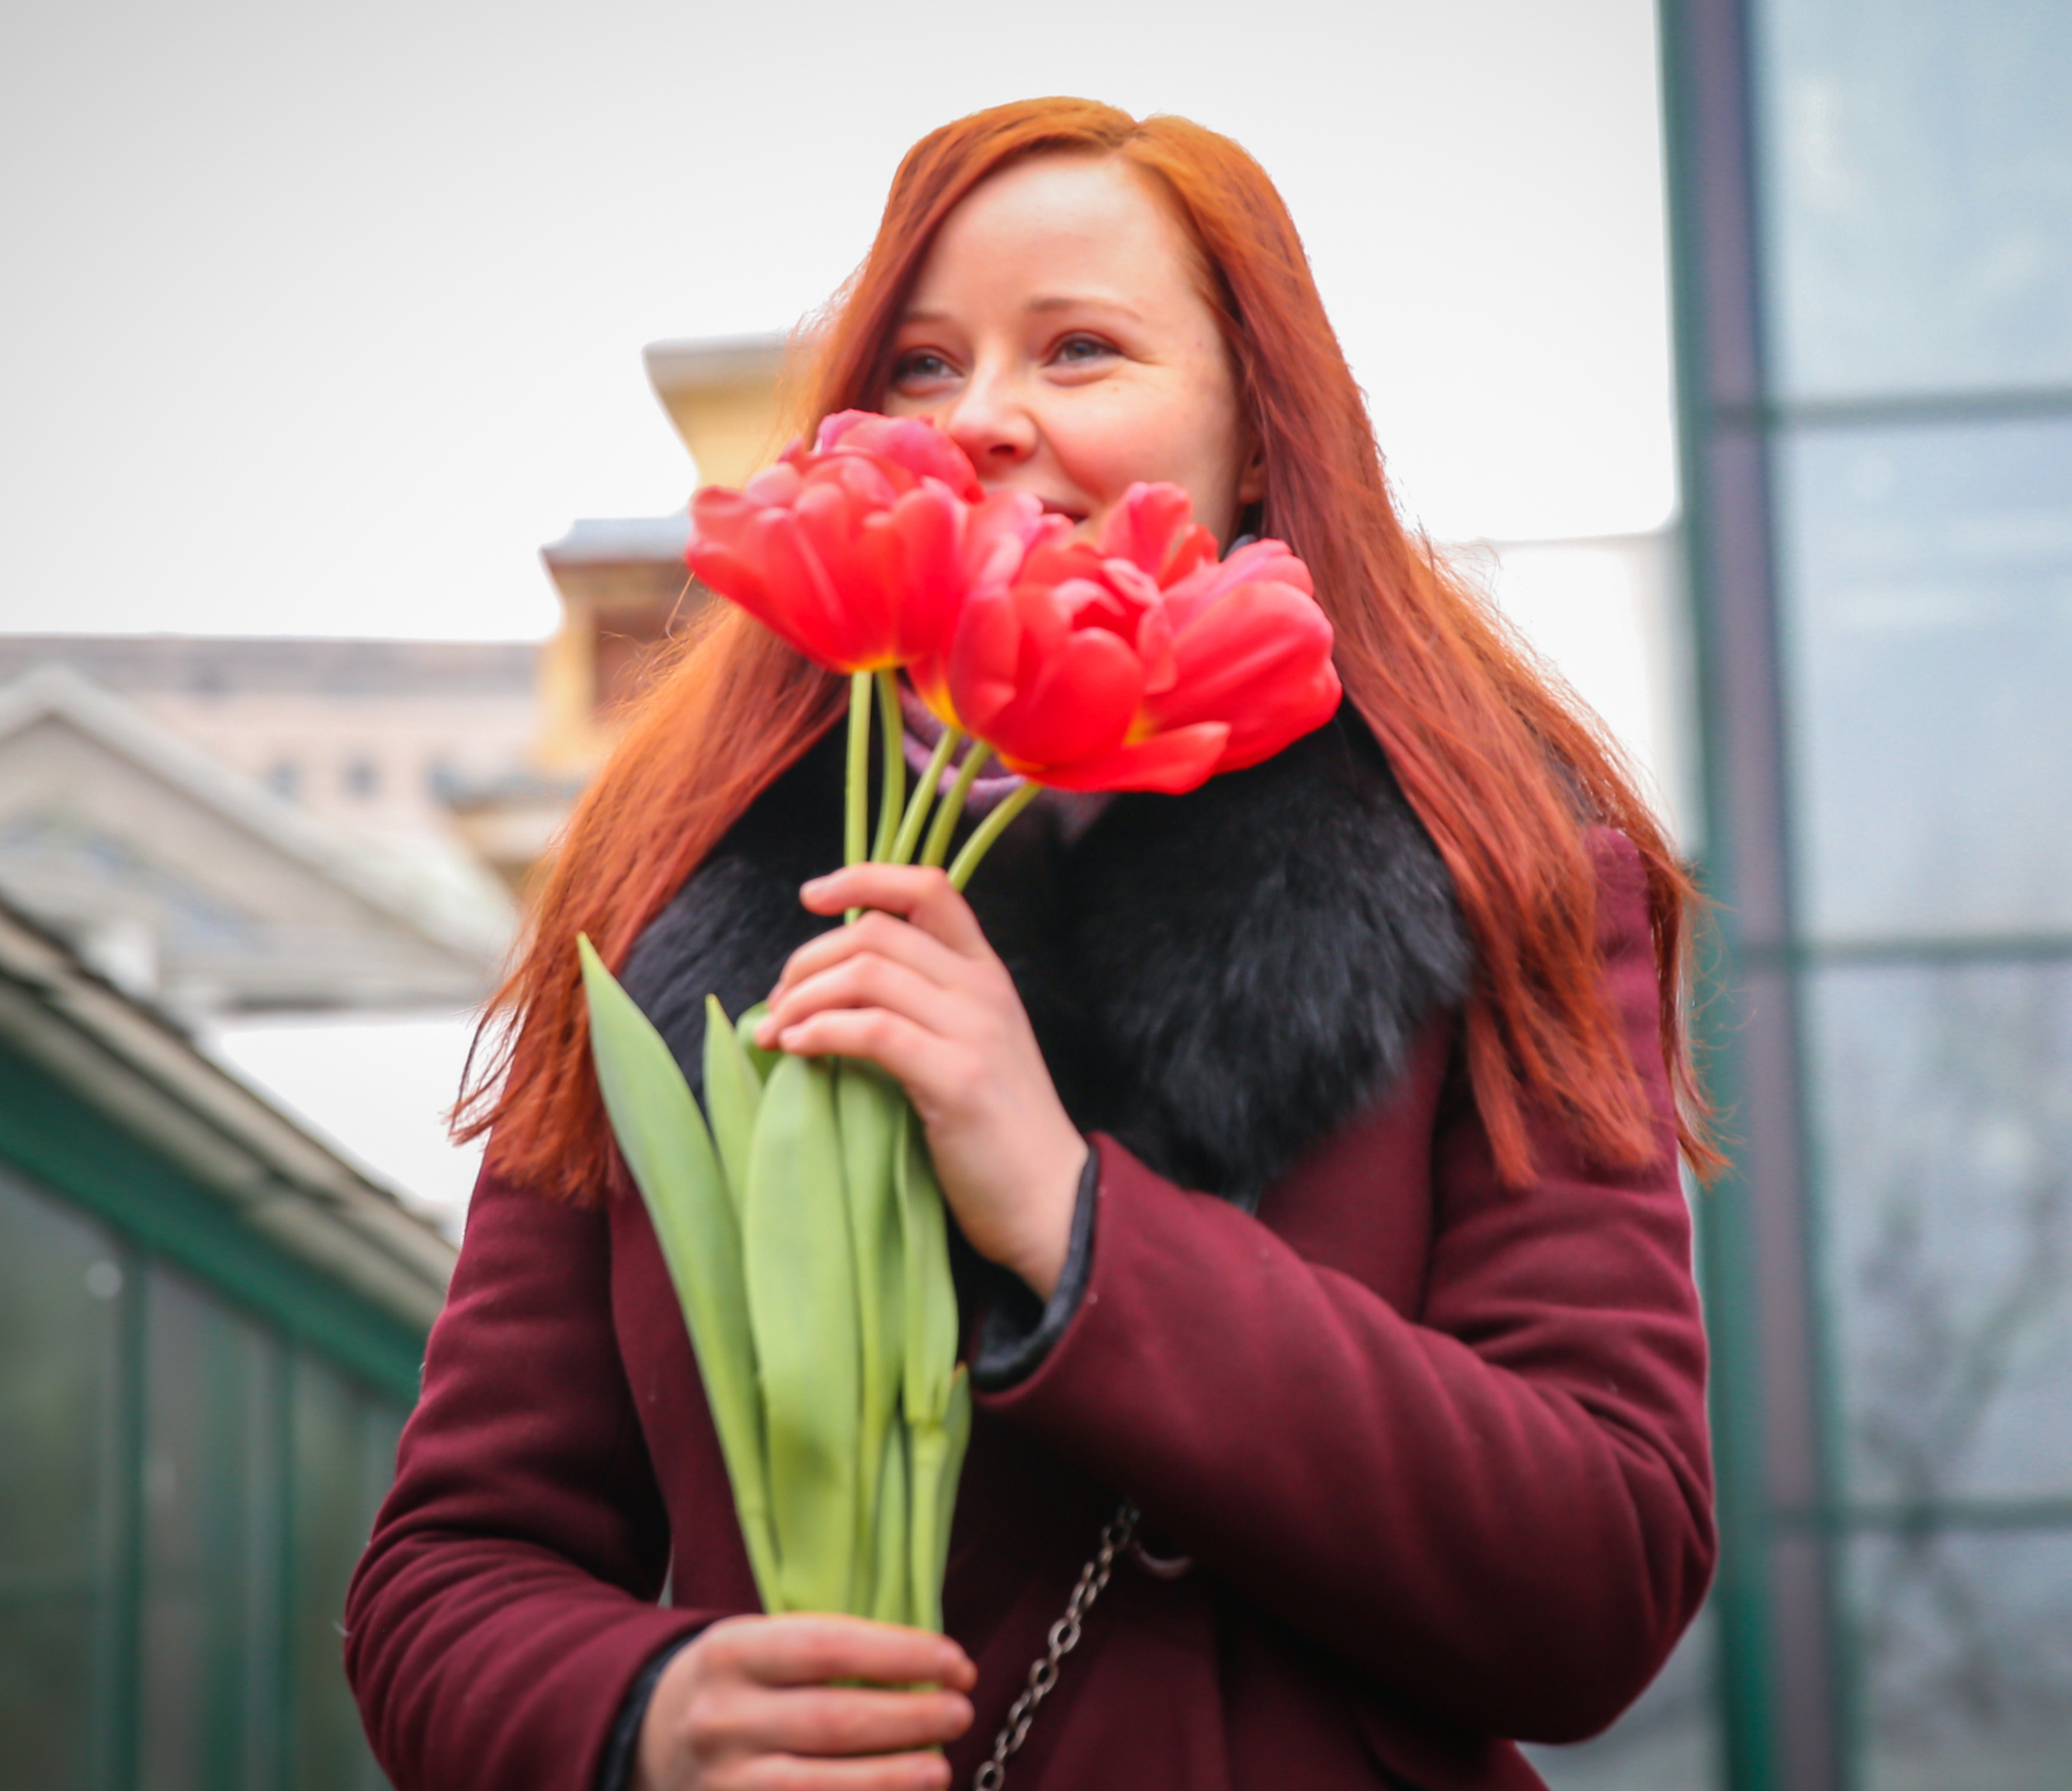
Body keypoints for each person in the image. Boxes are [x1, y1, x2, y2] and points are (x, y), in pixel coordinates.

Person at [345, 97, 1716, 1791]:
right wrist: (649, 1712)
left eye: (1079, 349)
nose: (983, 417)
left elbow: (1601, 1572)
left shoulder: (1498, 874)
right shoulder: (660, 891)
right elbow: (443, 1578)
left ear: (1257, 436)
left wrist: (1074, 1221)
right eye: (921, 366)